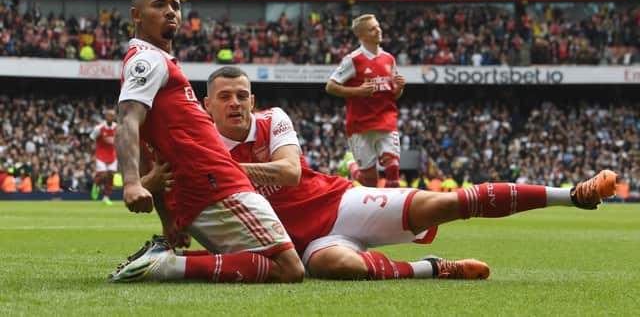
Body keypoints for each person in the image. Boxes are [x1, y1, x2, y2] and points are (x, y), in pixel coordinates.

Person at [126, 66, 619, 282]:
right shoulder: (194, 143)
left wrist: (225, 168)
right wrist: (155, 193)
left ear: (253, 100)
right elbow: (155, 183)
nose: (235, 103)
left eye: (242, 95)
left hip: (333, 202)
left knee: (441, 203)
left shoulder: (273, 119)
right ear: (206, 105)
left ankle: (570, 194)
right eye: (225, 97)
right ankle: (431, 270)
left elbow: (290, 173)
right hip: (296, 247)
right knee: (336, 269)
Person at [109, 0, 304, 284]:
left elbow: (156, 152)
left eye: (175, 5)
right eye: (159, 5)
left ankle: (165, 261)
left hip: (207, 186)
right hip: (215, 184)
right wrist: (132, 183)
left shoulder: (159, 64)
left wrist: (168, 219)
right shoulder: (147, 60)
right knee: (289, 268)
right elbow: (126, 123)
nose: (171, 11)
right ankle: (167, 265)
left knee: (261, 263)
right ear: (136, 15)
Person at [325, 14, 405, 187]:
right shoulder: (353, 60)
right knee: (370, 182)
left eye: (378, 26)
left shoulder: (389, 59)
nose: (378, 30)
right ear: (361, 35)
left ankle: (391, 212)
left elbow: (393, 95)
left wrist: (399, 88)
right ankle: (350, 165)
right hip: (360, 125)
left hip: (386, 121)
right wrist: (358, 91)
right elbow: (330, 86)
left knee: (393, 173)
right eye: (372, 29)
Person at [90, 109, 117, 205]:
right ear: (106, 116)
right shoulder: (99, 128)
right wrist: (92, 153)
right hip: (100, 155)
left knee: (111, 175)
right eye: (110, 115)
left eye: (113, 115)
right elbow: (91, 138)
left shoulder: (116, 127)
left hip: (112, 155)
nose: (111, 117)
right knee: (102, 174)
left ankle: (106, 197)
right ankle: (96, 185)